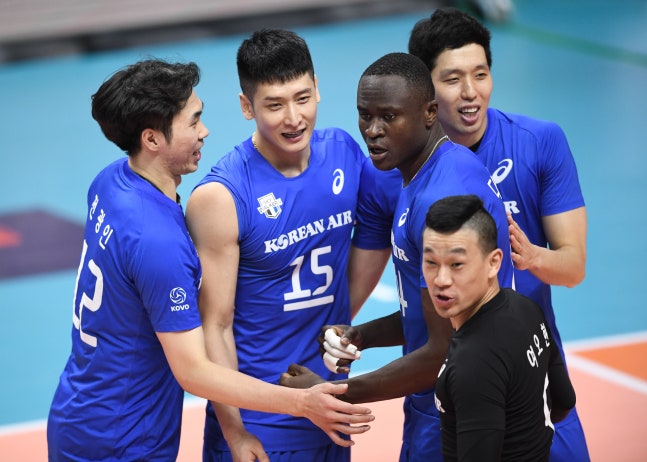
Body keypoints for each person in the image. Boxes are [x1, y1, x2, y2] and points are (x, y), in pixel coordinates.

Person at [46, 59, 374, 461]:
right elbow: (193, 371)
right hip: (122, 438)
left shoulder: (111, 181)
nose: (205, 131)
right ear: (151, 139)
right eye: (193, 121)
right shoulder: (159, 242)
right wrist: (301, 403)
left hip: (80, 411)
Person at [281, 52, 514, 461]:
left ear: (429, 113)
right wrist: (364, 336)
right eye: (365, 115)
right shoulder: (427, 171)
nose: (373, 131)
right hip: (445, 402)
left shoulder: (442, 198)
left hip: (464, 417)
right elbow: (437, 313)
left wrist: (332, 392)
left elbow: (444, 350)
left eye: (389, 117)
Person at [185, 29, 393, 462]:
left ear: (317, 87)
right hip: (261, 423)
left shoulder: (343, 153)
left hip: (328, 405)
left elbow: (378, 234)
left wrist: (339, 324)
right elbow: (215, 326)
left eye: (302, 98)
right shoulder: (222, 197)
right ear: (247, 107)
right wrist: (235, 433)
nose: (294, 118)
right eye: (275, 105)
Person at [408, 7, 589, 460]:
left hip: (533, 375)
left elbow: (573, 268)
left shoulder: (539, 142)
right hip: (448, 390)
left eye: (481, 74)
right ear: (425, 91)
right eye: (453, 79)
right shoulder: (401, 170)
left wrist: (531, 256)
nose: (471, 92)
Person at [422, 194, 576, 461]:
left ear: (494, 262)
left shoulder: (472, 364)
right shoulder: (526, 308)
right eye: (431, 263)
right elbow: (564, 401)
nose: (441, 279)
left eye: (457, 265)